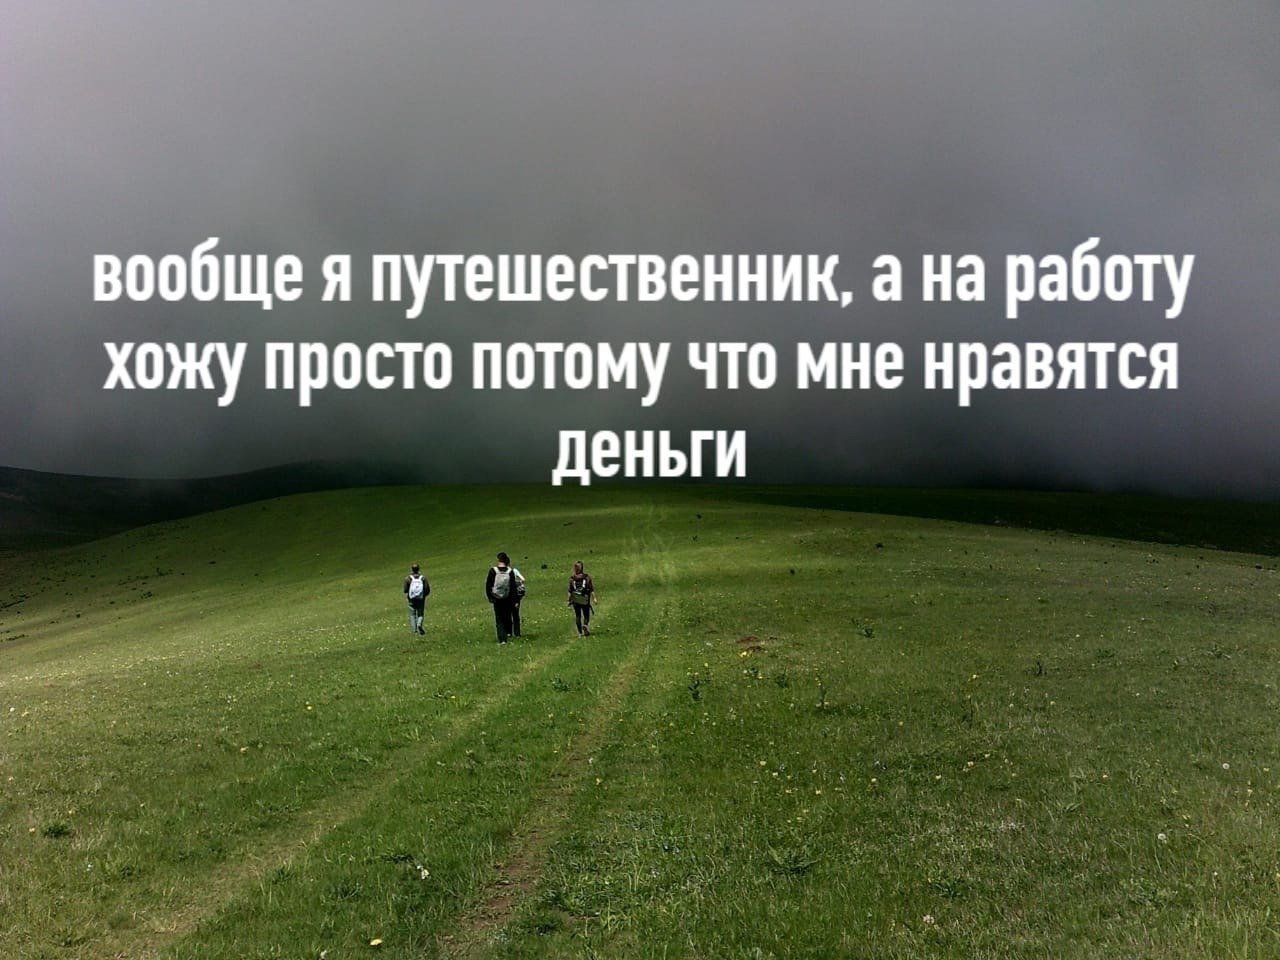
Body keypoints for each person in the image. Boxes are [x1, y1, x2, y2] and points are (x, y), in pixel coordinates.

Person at [485, 552, 519, 643]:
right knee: (507, 616)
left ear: (498, 560)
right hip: (507, 598)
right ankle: (508, 633)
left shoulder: (493, 571)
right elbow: (513, 587)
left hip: (496, 598)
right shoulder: (510, 571)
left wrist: (490, 597)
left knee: (499, 619)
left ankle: (502, 639)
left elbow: (488, 585)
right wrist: (515, 600)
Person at [566, 561, 596, 636]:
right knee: (586, 614)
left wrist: (568, 600)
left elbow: (570, 590)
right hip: (585, 599)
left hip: (576, 599)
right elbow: (591, 589)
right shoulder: (587, 577)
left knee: (578, 615)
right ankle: (585, 625)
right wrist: (594, 598)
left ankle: (579, 631)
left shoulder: (572, 579)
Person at [403, 562, 431, 635]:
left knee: (412, 615)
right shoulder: (423, 578)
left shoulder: (407, 578)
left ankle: (414, 631)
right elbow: (427, 589)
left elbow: (405, 590)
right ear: (418, 569)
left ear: (411, 569)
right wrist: (423, 596)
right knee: (420, 614)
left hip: (411, 599)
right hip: (421, 599)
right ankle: (419, 624)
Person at [510, 564, 527, 637]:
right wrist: (519, 583)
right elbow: (523, 579)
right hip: (516, 596)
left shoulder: (504, 572)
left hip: (507, 595)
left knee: (507, 614)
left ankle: (509, 632)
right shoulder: (515, 570)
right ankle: (517, 633)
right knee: (516, 614)